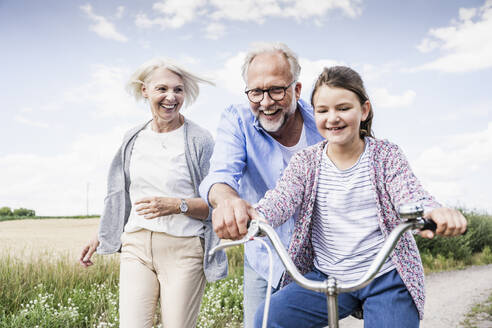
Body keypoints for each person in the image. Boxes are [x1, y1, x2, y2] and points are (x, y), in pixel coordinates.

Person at [243, 66, 468, 327]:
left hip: (386, 275)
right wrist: (253, 216)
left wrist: (432, 211)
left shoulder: (385, 155)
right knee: (269, 318)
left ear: (364, 110)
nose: (332, 118)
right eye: (323, 110)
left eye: (343, 108)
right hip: (328, 276)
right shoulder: (306, 162)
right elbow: (280, 199)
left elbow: (409, 192)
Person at [79, 58, 227, 328]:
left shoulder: (199, 140)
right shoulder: (132, 138)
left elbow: (216, 204)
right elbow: (121, 193)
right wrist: (102, 233)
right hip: (136, 246)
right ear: (145, 90)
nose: (171, 97)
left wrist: (176, 205)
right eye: (162, 89)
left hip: (184, 249)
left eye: (178, 90)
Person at [199, 42, 324, 327]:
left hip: (319, 257)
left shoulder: (323, 122)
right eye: (256, 92)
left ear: (297, 89)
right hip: (265, 257)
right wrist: (228, 200)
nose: (266, 102)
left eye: (276, 90)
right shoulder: (237, 119)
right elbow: (220, 176)